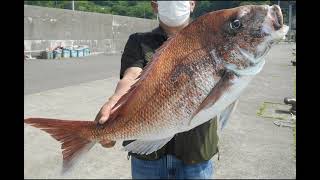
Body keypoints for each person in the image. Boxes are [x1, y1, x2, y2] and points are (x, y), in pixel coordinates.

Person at [95, 1, 219, 179]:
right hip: (147, 158)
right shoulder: (138, 41)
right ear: (155, 6)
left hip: (196, 152)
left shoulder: (211, 38)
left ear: (192, 4)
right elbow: (131, 76)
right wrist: (114, 102)